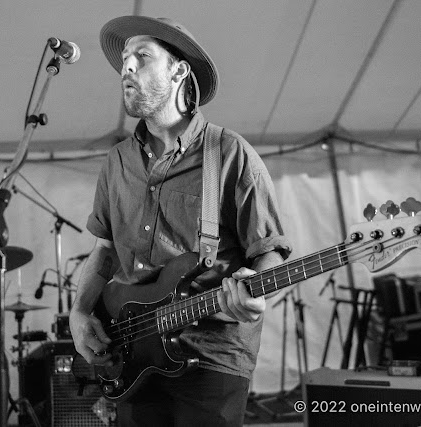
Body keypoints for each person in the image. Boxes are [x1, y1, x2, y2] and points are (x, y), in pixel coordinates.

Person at [69, 16, 291, 427]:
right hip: (133, 353)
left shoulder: (229, 153)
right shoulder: (117, 161)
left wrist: (256, 294)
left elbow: (270, 251)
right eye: (124, 59)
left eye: (141, 56)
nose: (126, 67)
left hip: (213, 355)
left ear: (178, 70)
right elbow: (103, 251)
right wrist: (80, 312)